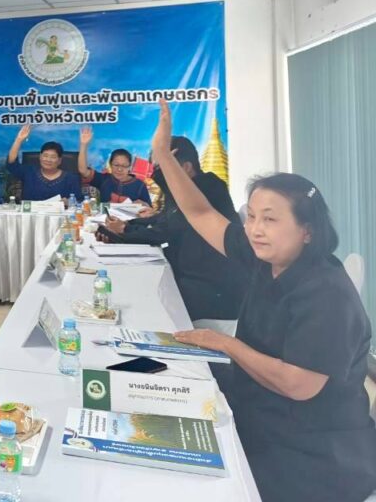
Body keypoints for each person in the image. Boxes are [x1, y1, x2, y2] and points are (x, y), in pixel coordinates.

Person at [151, 100, 376, 502]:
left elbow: (299, 384)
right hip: (260, 411)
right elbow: (201, 213)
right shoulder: (267, 256)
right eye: (251, 216)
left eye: (270, 219)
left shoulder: (326, 292)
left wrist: (225, 344)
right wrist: (164, 158)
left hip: (314, 454)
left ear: (308, 230)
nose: (255, 229)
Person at [105, 133, 245, 321]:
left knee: (135, 305)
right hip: (188, 273)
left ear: (186, 167)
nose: (158, 174)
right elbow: (165, 218)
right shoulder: (189, 186)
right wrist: (128, 225)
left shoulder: (207, 188)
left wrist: (124, 231)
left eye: (163, 168)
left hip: (210, 290)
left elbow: (168, 230)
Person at [5, 126, 82, 201]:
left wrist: (68, 202)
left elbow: (78, 201)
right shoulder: (29, 172)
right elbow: (11, 164)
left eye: (53, 157)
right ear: (40, 157)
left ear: (59, 161)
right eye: (45, 156)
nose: (48, 160)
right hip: (31, 210)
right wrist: (19, 140)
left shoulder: (71, 178)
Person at [77, 127, 151, 205]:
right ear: (110, 164)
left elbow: (149, 208)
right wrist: (83, 145)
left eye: (124, 166)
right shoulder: (104, 180)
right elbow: (83, 171)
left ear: (130, 167)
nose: (119, 169)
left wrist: (144, 205)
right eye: (116, 165)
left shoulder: (140, 185)